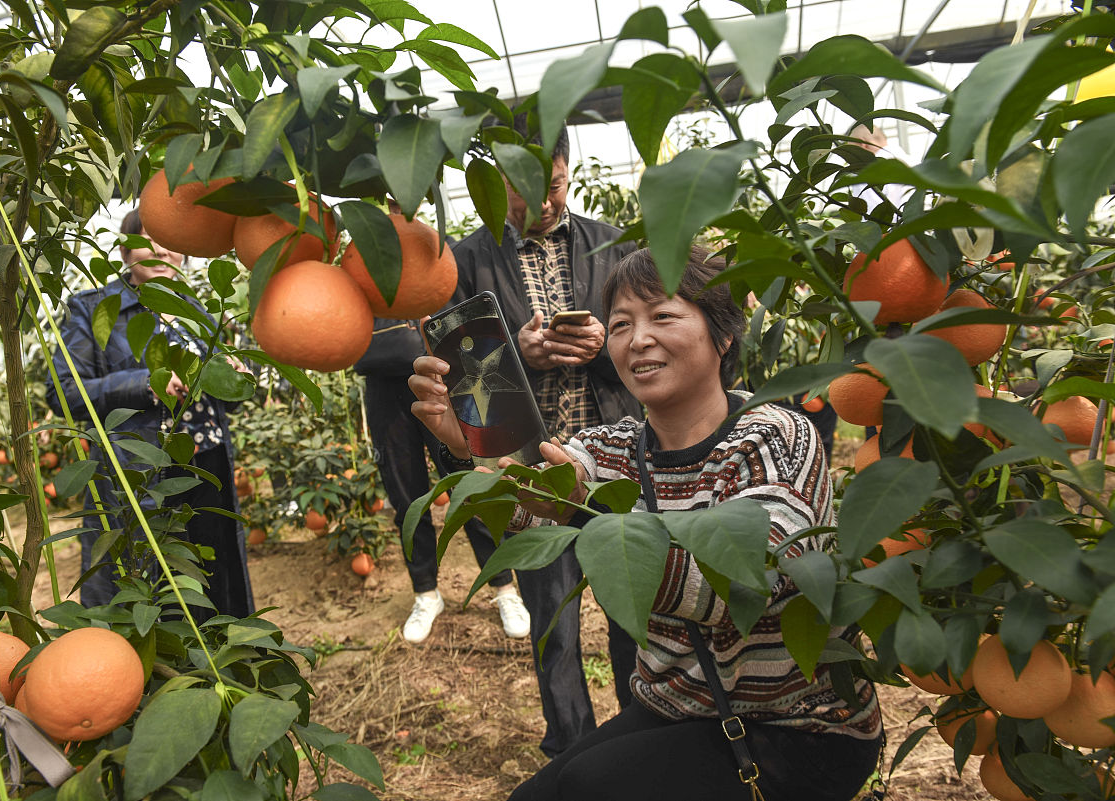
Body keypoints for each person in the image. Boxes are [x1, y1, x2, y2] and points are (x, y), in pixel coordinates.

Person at [411, 247, 883, 801]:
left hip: (797, 727)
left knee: (587, 787)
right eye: (620, 324)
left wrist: (594, 514)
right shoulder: (615, 447)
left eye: (662, 315)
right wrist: (465, 448)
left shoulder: (773, 436)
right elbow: (523, 499)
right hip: (678, 705)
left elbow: (736, 586)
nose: (637, 339)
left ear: (723, 335)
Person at [445, 117, 641, 757]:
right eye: (527, 193)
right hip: (530, 473)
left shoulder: (612, 247)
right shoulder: (466, 261)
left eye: (556, 185)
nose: (548, 203)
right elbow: (464, 391)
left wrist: (605, 347)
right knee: (552, 619)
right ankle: (574, 749)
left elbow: (654, 349)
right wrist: (516, 353)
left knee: (631, 611)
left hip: (614, 460)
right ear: (496, 186)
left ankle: (643, 737)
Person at [46, 209, 254, 621]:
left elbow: (219, 399)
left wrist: (234, 379)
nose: (162, 249)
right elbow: (63, 391)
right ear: (125, 251)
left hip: (207, 466)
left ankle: (222, 670)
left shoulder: (196, 311)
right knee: (153, 585)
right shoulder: (94, 309)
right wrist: (146, 383)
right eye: (149, 239)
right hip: (142, 471)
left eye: (172, 241)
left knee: (213, 575)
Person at [353, 317, 531, 643]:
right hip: (382, 384)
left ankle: (503, 584)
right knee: (406, 496)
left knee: (469, 483)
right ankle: (426, 592)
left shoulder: (433, 269)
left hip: (438, 378)